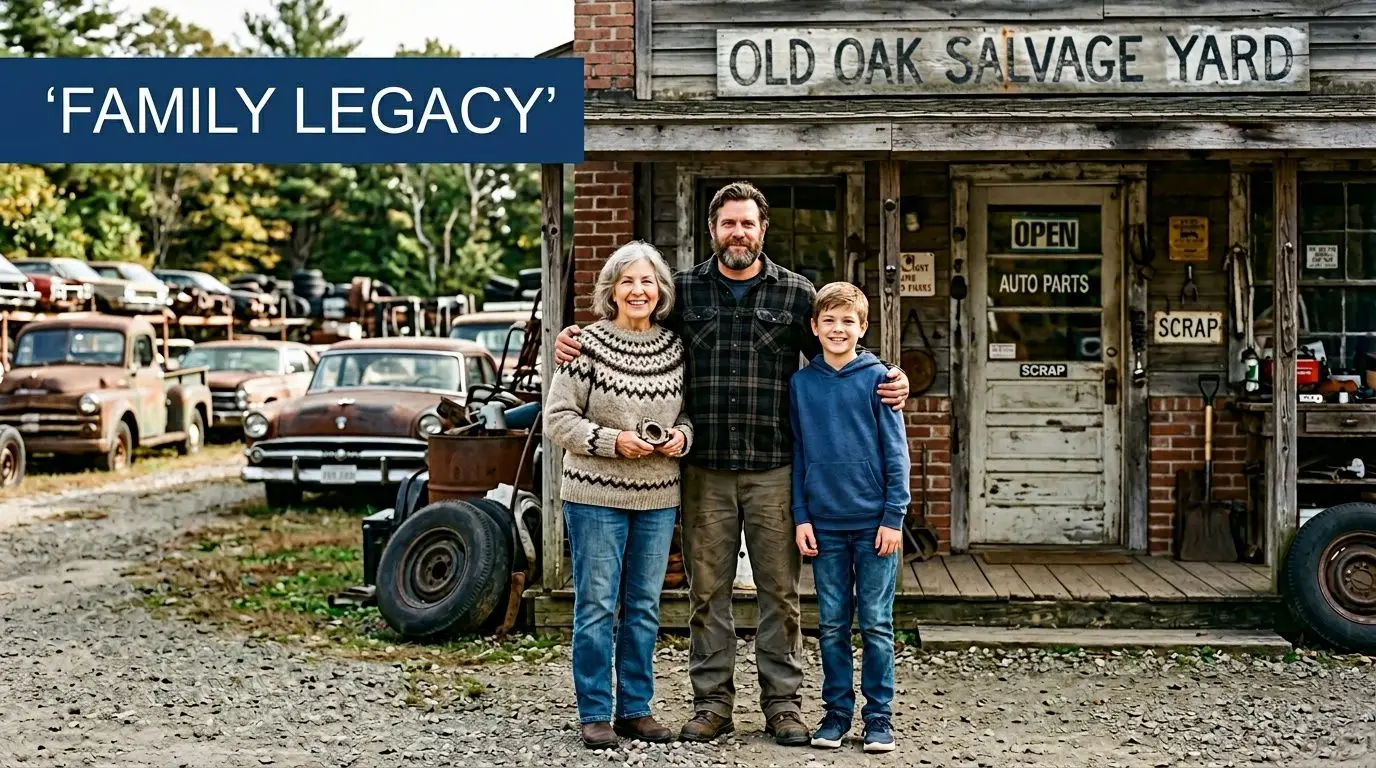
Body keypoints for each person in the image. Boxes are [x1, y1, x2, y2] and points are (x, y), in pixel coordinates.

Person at [555, 181, 910, 746]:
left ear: (762, 229)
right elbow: (632, 328)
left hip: (774, 468)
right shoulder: (686, 293)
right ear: (713, 230)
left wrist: (892, 374)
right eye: (728, 224)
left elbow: (840, 348)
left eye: (747, 223)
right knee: (707, 594)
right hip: (704, 470)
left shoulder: (797, 295)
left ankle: (784, 706)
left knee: (779, 594)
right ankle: (712, 703)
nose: (737, 233)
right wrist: (572, 338)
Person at [543, 240, 693, 751]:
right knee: (597, 605)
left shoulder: (675, 349)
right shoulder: (585, 344)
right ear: (611, 290)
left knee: (645, 605)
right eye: (627, 281)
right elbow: (557, 419)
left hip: (657, 494)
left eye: (647, 281)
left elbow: (686, 416)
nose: (638, 290)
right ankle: (593, 712)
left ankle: (635, 708)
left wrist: (682, 439)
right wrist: (612, 442)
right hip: (594, 493)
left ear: (660, 291)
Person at [789, 282, 909, 754]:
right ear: (815, 327)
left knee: (877, 623)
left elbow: (896, 455)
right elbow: (799, 453)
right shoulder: (801, 385)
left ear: (863, 328)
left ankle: (879, 716)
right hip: (824, 524)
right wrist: (802, 516)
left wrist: (893, 517)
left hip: (873, 522)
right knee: (834, 625)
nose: (838, 329)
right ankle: (836, 713)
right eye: (829, 321)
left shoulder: (878, 379)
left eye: (848, 322)